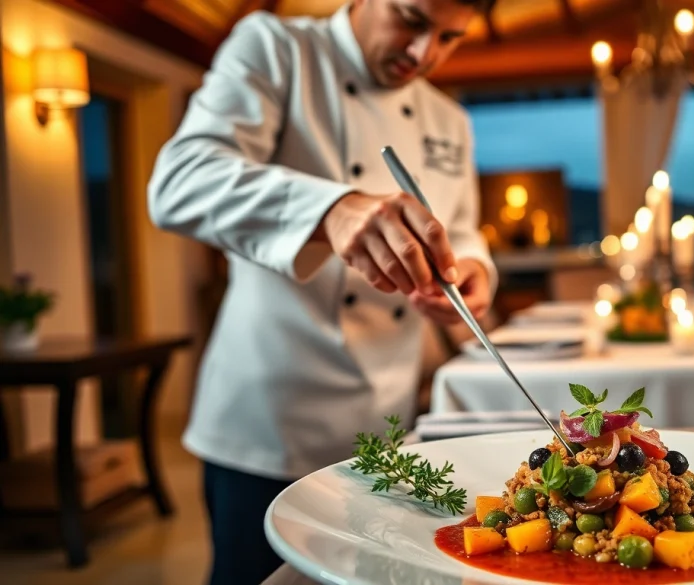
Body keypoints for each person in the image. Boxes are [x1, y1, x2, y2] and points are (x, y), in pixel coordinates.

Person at [146, 0, 497, 583]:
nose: (424, 53)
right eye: (411, 19)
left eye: (449, 38)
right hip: (270, 426)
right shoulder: (275, 49)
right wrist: (329, 209)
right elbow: (179, 181)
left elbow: (460, 229)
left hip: (389, 427)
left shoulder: (449, 119)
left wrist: (469, 274)